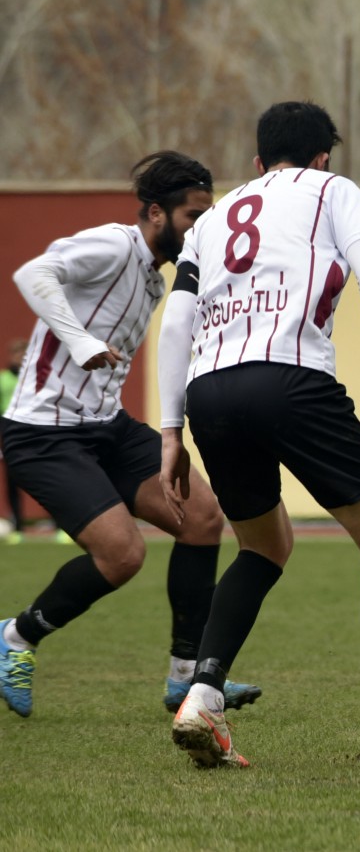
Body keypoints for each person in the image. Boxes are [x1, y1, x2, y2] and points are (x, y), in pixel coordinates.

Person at [158, 101, 360, 768]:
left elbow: (177, 320)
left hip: (210, 390)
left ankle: (202, 695)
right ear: (324, 156)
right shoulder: (335, 191)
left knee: (264, 546)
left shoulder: (214, 218)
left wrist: (170, 428)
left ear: (256, 161)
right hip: (289, 375)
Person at [0, 152, 261, 719]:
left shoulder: (155, 276)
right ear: (155, 213)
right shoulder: (116, 245)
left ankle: (185, 678)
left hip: (106, 425)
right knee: (123, 554)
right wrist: (78, 341)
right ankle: (16, 638)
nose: (200, 227)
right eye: (193, 216)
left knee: (202, 516)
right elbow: (32, 273)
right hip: (43, 433)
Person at [1, 338, 26, 543]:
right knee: (12, 483)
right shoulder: (3, 380)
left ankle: (58, 525)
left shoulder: (33, 379)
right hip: (9, 435)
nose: (21, 359)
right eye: (18, 354)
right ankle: (17, 526)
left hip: (33, 434)